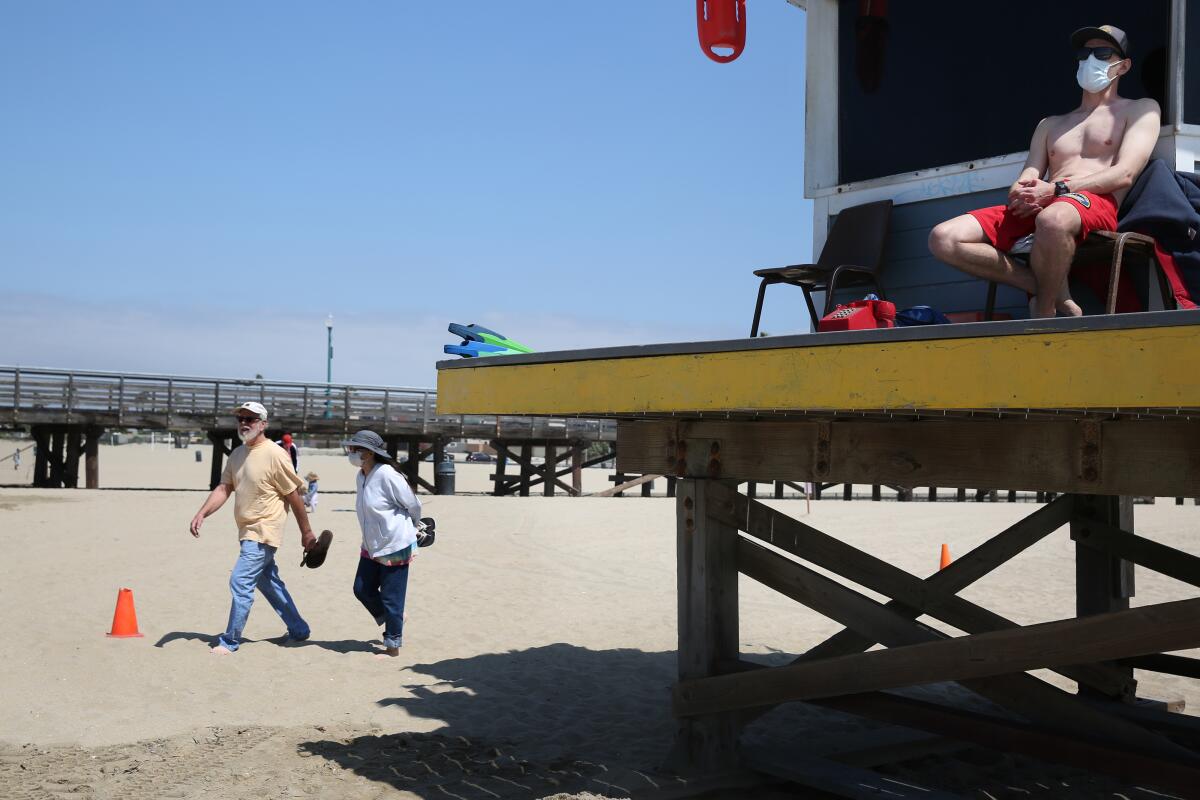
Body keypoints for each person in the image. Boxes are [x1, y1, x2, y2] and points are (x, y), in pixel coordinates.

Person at [928, 25, 1161, 318]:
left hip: (1091, 201)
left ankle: (1044, 314)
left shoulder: (1140, 109)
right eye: (1084, 53)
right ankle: (1040, 286)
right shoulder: (1050, 124)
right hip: (1046, 200)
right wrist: (1020, 191)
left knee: (1053, 219)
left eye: (1102, 53)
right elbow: (1030, 172)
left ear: (1123, 65)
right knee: (943, 238)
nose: (1091, 59)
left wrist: (1056, 190)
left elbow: (1125, 174)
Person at [189, 401, 317, 655]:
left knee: (240, 580)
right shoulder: (237, 454)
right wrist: (202, 512)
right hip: (246, 529)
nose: (245, 423)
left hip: (264, 530)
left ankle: (230, 641)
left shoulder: (275, 454)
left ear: (263, 424)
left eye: (251, 418)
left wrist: (306, 532)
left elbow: (293, 495)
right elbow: (224, 487)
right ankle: (299, 629)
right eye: (241, 419)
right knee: (268, 582)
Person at [342, 429, 421, 659]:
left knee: (391, 597)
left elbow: (413, 504)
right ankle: (394, 616)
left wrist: (413, 527)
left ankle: (392, 646)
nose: (352, 452)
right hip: (371, 544)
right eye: (351, 448)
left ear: (370, 453)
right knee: (361, 589)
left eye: (356, 449)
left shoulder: (386, 474)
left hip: (395, 543)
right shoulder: (361, 476)